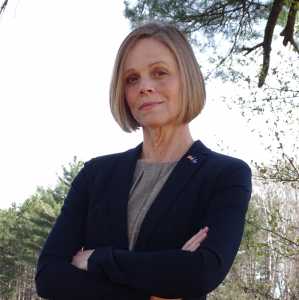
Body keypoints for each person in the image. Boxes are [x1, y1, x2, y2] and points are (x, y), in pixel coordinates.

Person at [35, 21, 252, 300]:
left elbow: (200, 273)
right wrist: (153, 292)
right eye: (132, 78)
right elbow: (50, 277)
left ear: (191, 79)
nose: (145, 87)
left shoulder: (225, 175)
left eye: (159, 73)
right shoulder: (94, 174)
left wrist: (98, 259)